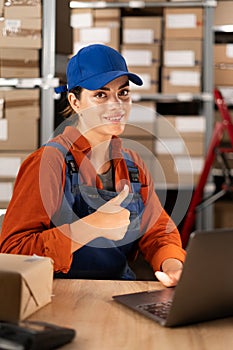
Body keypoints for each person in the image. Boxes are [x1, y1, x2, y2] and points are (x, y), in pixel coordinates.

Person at [0, 44, 186, 286]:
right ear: (75, 102)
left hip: (116, 291)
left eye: (123, 93)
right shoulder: (48, 164)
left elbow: (158, 232)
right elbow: (13, 252)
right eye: (101, 94)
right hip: (59, 297)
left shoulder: (132, 165)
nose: (116, 105)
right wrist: (90, 226)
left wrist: (172, 266)